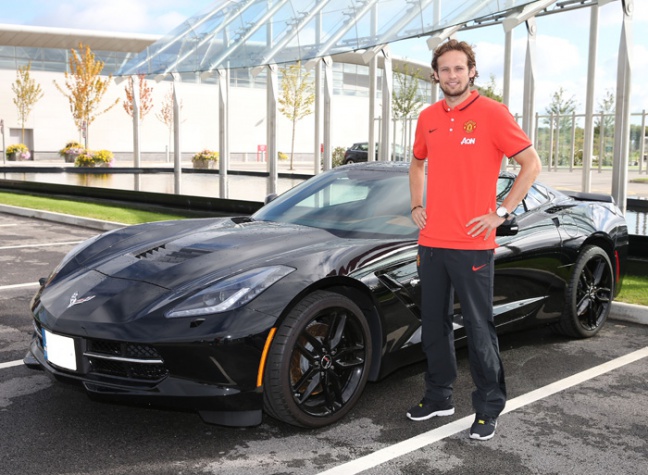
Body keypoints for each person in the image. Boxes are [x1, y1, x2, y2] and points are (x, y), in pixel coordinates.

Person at [407, 39, 542, 441]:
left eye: (459, 69)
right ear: (436, 75)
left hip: (472, 245)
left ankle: (487, 407)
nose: (452, 76)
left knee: (480, 329)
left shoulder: (492, 114)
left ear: (472, 72)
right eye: (445, 69)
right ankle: (438, 396)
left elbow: (531, 163)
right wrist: (417, 204)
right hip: (431, 242)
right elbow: (416, 163)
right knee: (433, 326)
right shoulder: (427, 116)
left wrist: (500, 212)